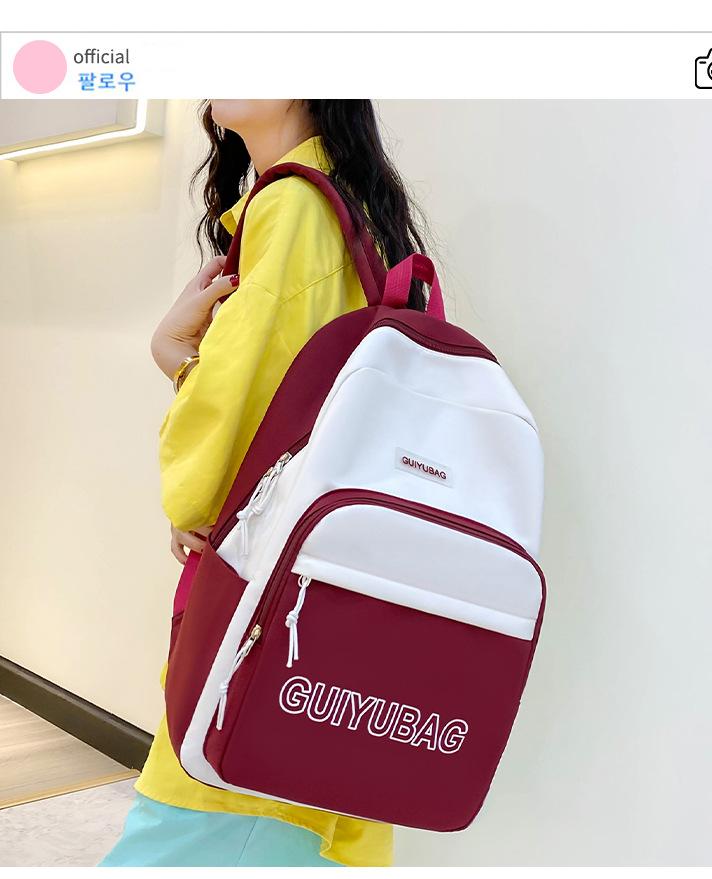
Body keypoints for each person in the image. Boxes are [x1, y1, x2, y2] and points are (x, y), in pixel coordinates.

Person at [98, 99, 430, 868]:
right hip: (330, 609)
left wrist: (175, 355)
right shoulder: (355, 209)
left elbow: (245, 402)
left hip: (263, 610)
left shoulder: (292, 207)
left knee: (197, 817)